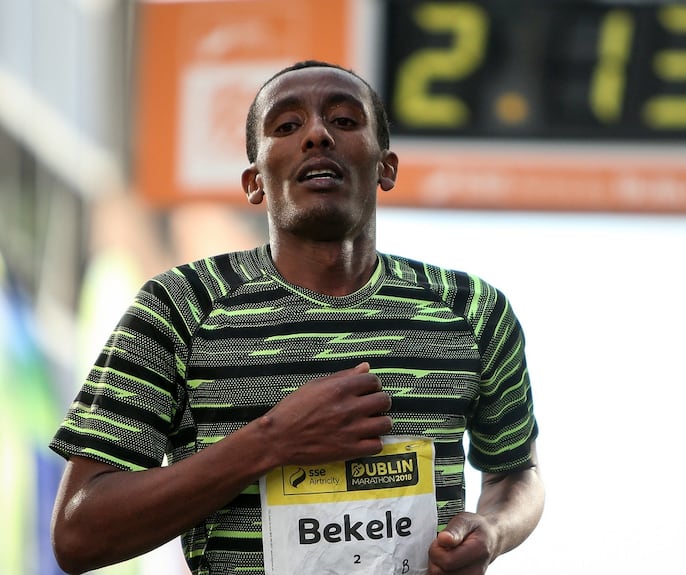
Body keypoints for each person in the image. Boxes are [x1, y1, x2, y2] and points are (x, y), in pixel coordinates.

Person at [49, 60, 544, 575]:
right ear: (254, 183)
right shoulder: (179, 307)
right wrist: (271, 441)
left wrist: (493, 531)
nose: (317, 135)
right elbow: (77, 534)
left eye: (344, 121)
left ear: (386, 168)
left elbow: (517, 474)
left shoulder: (473, 311)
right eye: (287, 126)